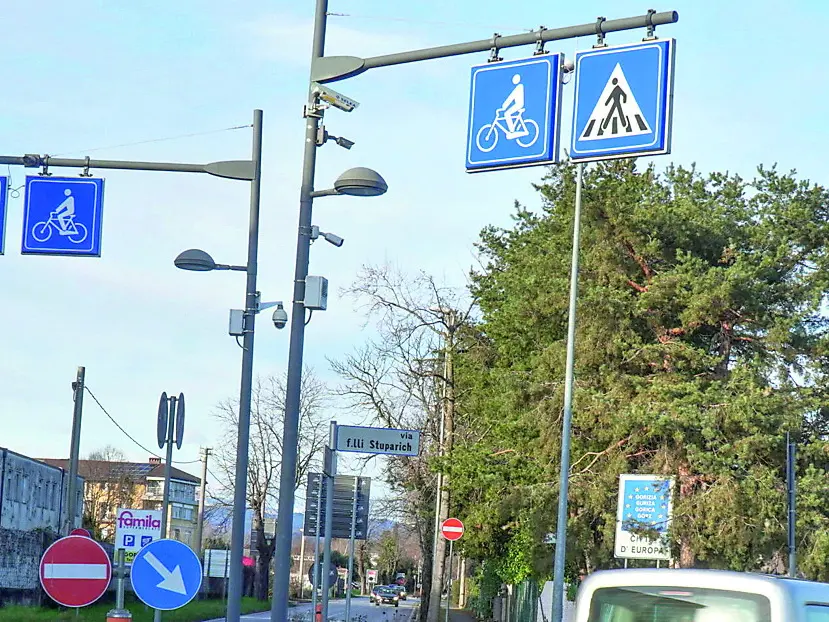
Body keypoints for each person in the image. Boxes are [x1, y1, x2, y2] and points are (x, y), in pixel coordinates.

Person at [500, 74, 525, 138]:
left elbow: (511, 97)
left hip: (519, 104)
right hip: (517, 104)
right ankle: (512, 129)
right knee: (508, 113)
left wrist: (504, 105)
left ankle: (512, 131)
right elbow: (511, 97)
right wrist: (504, 106)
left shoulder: (519, 86)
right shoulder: (518, 87)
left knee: (507, 113)